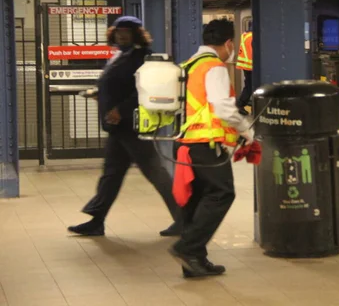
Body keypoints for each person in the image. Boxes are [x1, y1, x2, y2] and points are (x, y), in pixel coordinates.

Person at [68, 16, 181, 237]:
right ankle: (96, 220)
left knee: (155, 172)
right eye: (119, 31)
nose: (121, 35)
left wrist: (121, 109)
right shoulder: (120, 55)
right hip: (118, 127)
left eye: (127, 31)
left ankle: (185, 219)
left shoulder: (142, 57)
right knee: (111, 173)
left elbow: (143, 90)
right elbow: (115, 85)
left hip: (133, 126)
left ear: (136, 34)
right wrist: (99, 95)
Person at [169, 18, 254, 278]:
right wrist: (246, 130)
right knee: (221, 194)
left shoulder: (188, 65)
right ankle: (188, 247)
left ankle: (195, 261)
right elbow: (223, 106)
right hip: (205, 144)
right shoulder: (214, 67)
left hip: (185, 142)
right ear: (229, 43)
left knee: (195, 201)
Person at [235, 26, 253, 115]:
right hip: (251, 66)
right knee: (251, 86)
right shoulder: (252, 37)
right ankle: (240, 104)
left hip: (246, 65)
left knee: (249, 86)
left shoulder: (245, 35)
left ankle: (241, 104)